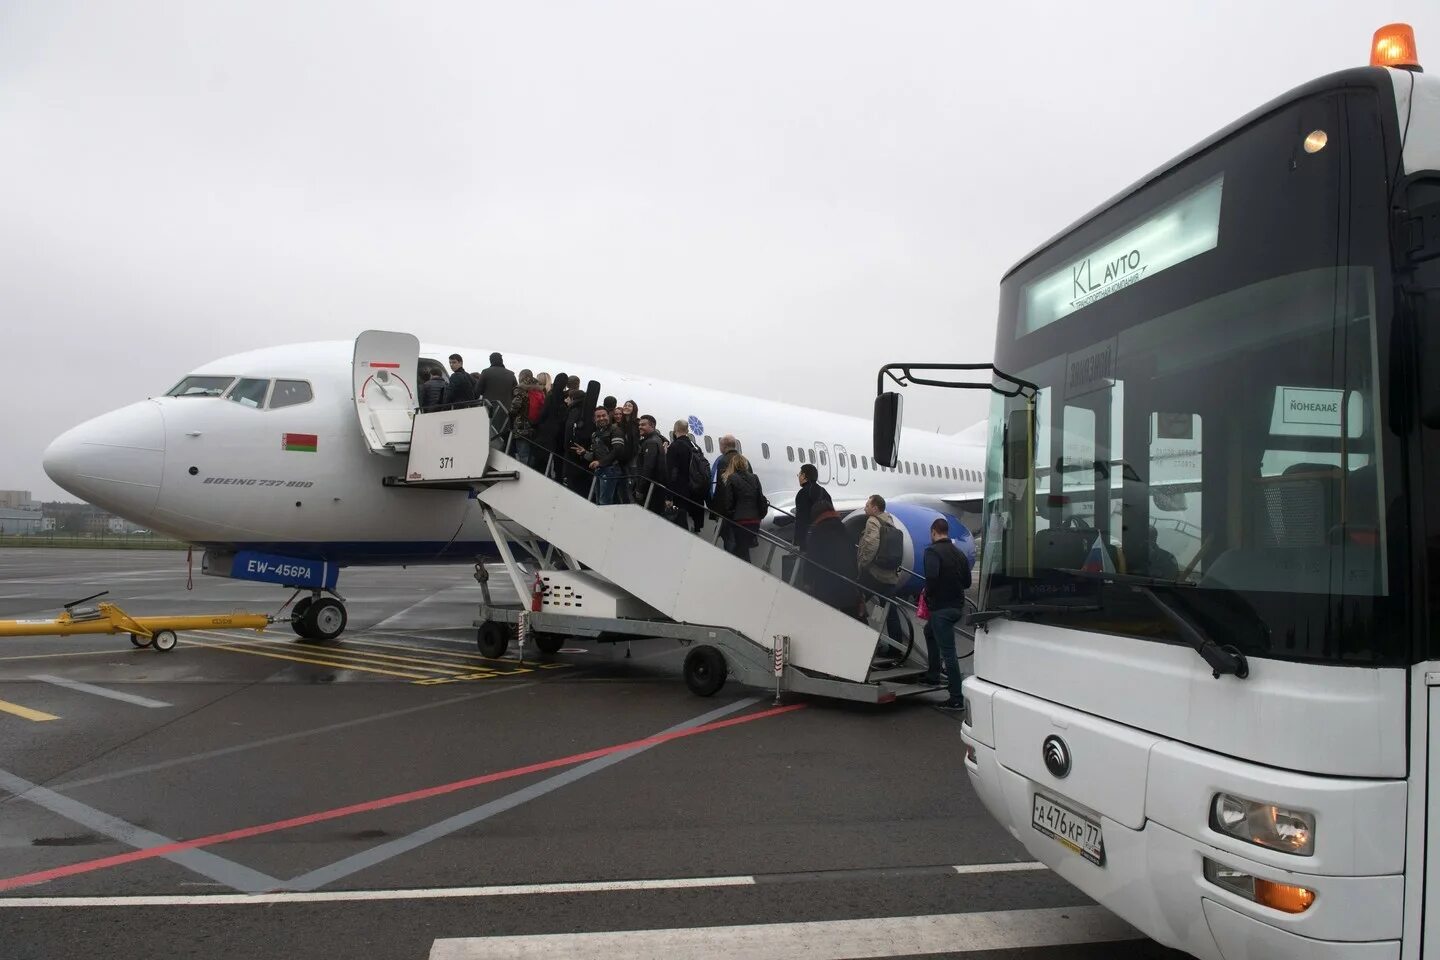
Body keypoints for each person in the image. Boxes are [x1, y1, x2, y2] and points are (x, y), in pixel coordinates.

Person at [921, 517, 971, 711]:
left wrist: (929, 596)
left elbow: (931, 579)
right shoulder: (959, 554)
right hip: (956, 607)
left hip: (941, 608)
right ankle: (933, 675)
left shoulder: (932, 551)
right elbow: (967, 583)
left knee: (949, 652)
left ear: (934, 532)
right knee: (928, 632)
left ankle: (956, 697)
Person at [856, 495, 906, 659]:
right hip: (889, 575)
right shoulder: (889, 521)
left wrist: (862, 564)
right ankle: (895, 648)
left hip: (874, 575)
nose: (865, 508)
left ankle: (865, 642)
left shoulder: (873, 521)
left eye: (867, 505)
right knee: (891, 612)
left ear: (875, 508)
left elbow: (871, 544)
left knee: (856, 601)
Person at [803, 504, 862, 615]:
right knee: (850, 618)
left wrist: (807, 580)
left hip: (826, 584)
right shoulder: (844, 529)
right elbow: (853, 556)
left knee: (824, 616)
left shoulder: (817, 531)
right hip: (847, 584)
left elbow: (811, 558)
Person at [713, 454, 767, 561]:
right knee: (743, 551)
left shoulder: (732, 478)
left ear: (733, 465)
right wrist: (759, 516)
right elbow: (760, 499)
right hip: (754, 522)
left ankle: (744, 575)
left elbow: (728, 503)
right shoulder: (754, 478)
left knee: (739, 553)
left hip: (740, 522)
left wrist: (732, 516)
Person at [666, 419, 707, 533]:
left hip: (680, 492)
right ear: (687, 430)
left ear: (675, 430)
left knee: (679, 524)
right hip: (694, 491)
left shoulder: (675, 447)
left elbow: (672, 472)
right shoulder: (695, 447)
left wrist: (669, 496)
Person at [580, 406, 625, 505]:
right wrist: (584, 453)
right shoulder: (595, 434)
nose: (601, 418)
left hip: (611, 470)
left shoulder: (616, 430)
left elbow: (618, 450)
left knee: (605, 502)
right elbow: (595, 456)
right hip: (599, 470)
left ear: (608, 416)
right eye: (598, 416)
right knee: (598, 502)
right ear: (594, 419)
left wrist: (600, 462)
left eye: (603, 415)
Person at [709, 435, 740, 551]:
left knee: (729, 542)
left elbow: (720, 488)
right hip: (742, 512)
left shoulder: (723, 461)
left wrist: (716, 511)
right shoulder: (743, 460)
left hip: (728, 512)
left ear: (724, 446)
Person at [508, 370, 543, 468]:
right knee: (532, 454)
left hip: (522, 426)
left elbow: (516, 406)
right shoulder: (540, 389)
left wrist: (510, 413)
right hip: (536, 426)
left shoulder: (520, 389)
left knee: (523, 454)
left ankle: (526, 475)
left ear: (521, 377)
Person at [634, 415, 668, 513]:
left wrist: (640, 489)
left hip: (649, 490)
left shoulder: (651, 443)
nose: (640, 427)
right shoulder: (656, 439)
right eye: (639, 425)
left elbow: (648, 468)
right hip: (653, 489)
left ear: (652, 426)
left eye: (643, 425)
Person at [478, 353, 517, 436]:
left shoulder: (486, 372)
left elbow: (478, 390)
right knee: (505, 434)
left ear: (490, 361)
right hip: (506, 410)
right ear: (501, 360)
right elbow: (515, 392)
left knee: (489, 434)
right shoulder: (511, 374)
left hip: (490, 409)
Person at [561, 388, 591, 495]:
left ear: (573, 398)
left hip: (573, 448)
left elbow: (569, 428)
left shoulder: (574, 410)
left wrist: (566, 445)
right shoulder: (586, 410)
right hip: (581, 449)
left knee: (571, 477)